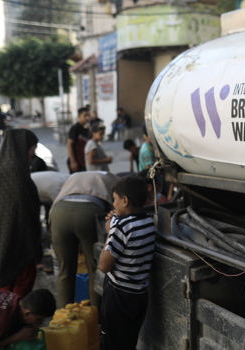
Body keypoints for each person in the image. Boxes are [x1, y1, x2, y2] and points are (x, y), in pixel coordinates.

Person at [99, 175, 155, 350]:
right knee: (128, 341)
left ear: (124, 200)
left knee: (113, 342)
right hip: (139, 296)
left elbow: (104, 266)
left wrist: (110, 231)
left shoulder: (121, 227)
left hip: (119, 296)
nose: (113, 204)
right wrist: (116, 222)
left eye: (114, 199)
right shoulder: (148, 221)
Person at [0, 129, 43, 298]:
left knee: (3, 292)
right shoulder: (16, 172)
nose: (34, 153)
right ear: (22, 147)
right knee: (20, 291)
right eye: (33, 148)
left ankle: (5, 320)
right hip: (19, 241)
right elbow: (25, 208)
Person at [50, 171, 119, 308]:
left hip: (59, 212)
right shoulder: (113, 178)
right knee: (94, 268)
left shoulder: (74, 176)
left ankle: (64, 317)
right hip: (89, 210)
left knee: (65, 271)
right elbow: (117, 210)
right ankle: (95, 316)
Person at [67, 107, 91, 174]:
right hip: (76, 160)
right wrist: (73, 161)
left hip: (84, 160)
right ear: (79, 116)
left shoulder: (87, 129)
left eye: (88, 115)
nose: (87, 117)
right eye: (85, 115)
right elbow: (69, 144)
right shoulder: (75, 128)